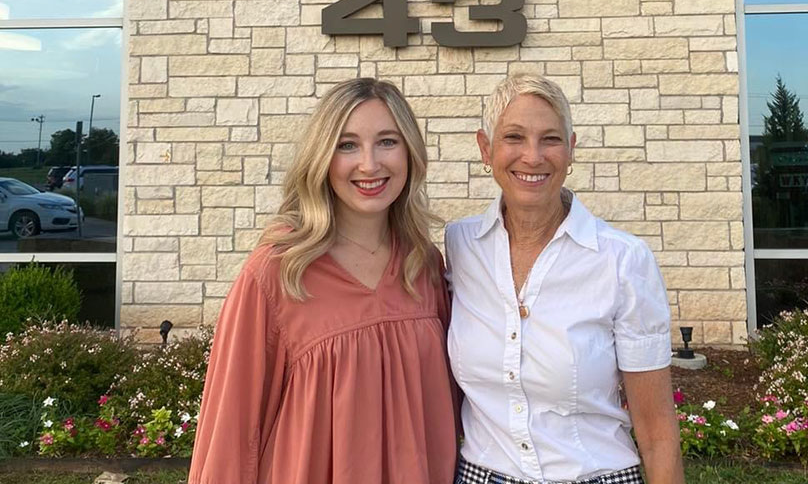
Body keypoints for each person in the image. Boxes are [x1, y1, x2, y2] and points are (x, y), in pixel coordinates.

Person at [189, 78, 458, 484]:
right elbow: (230, 426)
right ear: (322, 157)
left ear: (410, 153)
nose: (370, 164)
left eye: (387, 141)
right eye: (347, 145)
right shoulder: (280, 272)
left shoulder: (424, 266)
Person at [445, 74, 684, 484]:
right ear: (486, 148)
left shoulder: (621, 260)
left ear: (571, 150)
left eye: (550, 139)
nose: (533, 156)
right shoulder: (461, 246)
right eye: (514, 137)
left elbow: (658, 431)